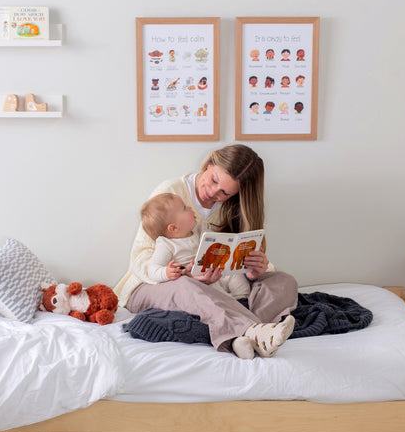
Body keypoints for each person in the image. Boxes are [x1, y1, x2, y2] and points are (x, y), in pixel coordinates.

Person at [114, 144, 298, 359]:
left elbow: (234, 261)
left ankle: (237, 332)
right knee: (187, 286)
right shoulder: (171, 192)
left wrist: (255, 270)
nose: (212, 192)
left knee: (284, 281)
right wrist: (184, 273)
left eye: (225, 193)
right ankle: (253, 329)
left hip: (219, 287)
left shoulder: (234, 208)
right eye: (213, 180)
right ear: (209, 164)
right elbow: (140, 257)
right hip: (155, 284)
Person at [140, 192, 251, 301]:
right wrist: (166, 273)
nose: (189, 208)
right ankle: (234, 307)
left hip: (215, 272)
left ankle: (242, 300)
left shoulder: (200, 229)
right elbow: (152, 270)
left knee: (236, 276)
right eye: (184, 208)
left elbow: (217, 244)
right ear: (173, 228)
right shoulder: (166, 245)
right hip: (196, 281)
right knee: (213, 295)